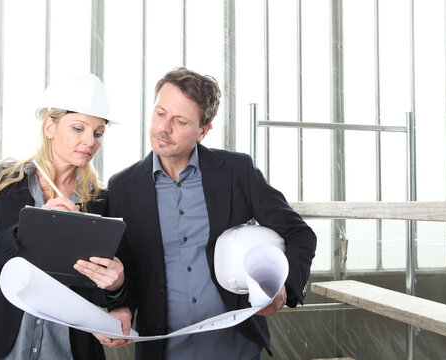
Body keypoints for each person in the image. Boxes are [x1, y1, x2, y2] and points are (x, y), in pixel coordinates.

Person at [102, 67, 317, 359]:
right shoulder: (123, 186)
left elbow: (299, 234)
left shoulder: (236, 172)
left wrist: (282, 286)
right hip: (164, 349)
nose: (163, 128)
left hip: (237, 347)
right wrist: (119, 304)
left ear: (203, 131)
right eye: (160, 113)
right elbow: (127, 270)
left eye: (179, 121)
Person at [0, 73, 126, 360]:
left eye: (98, 132)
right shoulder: (1, 182)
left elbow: (98, 288)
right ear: (50, 126)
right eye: (78, 128)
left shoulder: (101, 200)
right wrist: (28, 229)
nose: (89, 141)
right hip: (5, 347)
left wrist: (116, 286)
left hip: (67, 349)